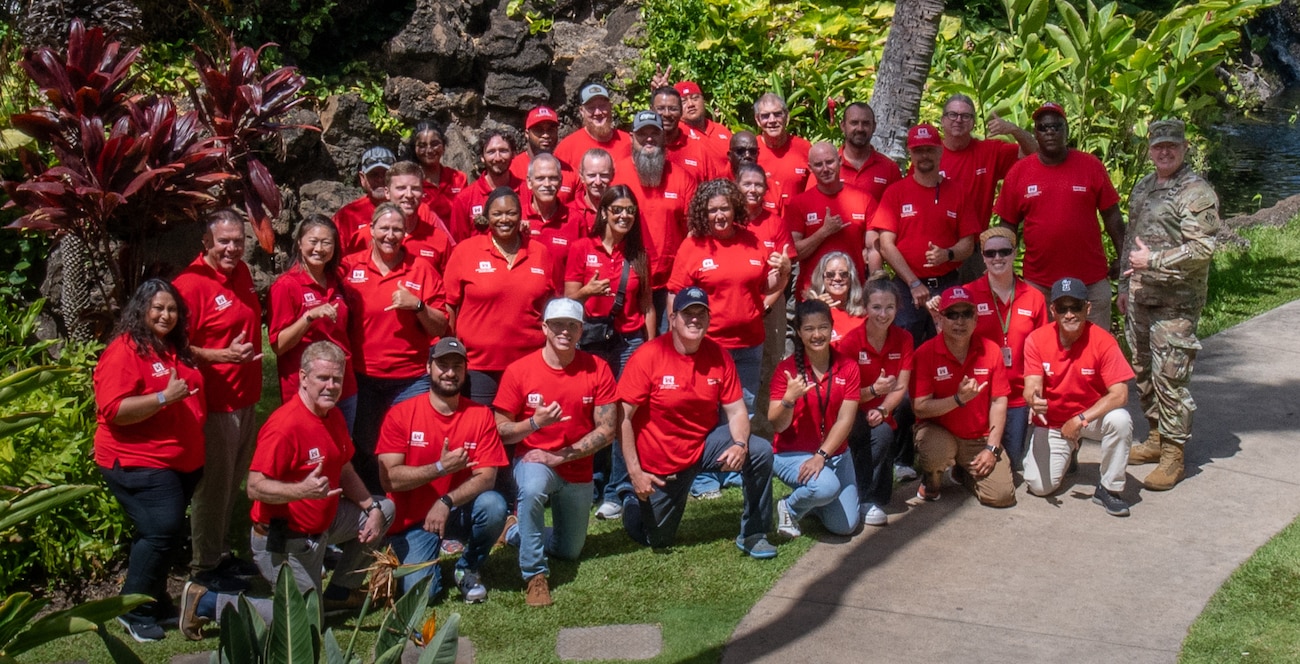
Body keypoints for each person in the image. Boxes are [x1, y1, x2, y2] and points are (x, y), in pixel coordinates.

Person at [618, 286, 778, 558]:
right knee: (657, 539)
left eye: (701, 313)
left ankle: (754, 532)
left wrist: (739, 444)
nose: (694, 319)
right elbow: (622, 417)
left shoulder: (719, 356)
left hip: (703, 446)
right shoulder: (648, 356)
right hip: (661, 461)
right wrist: (634, 473)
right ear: (673, 318)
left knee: (760, 451)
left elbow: (738, 412)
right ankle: (632, 503)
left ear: (708, 318)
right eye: (687, 313)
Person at [94, 279, 205, 641]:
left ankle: (153, 599)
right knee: (160, 531)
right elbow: (114, 410)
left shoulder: (170, 346)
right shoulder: (124, 351)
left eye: (172, 309)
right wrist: (162, 398)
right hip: (137, 460)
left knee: (167, 534)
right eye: (158, 308)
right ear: (141, 309)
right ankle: (133, 610)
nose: (165, 315)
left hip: (179, 460)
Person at [669, 179, 791, 498]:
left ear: (735, 208)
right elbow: (675, 293)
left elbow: (767, 285)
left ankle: (733, 468)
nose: (719, 215)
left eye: (724, 208)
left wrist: (785, 271)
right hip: (707, 346)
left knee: (744, 409)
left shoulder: (753, 241)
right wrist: (677, 338)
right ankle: (704, 477)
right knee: (705, 412)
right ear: (702, 214)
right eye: (712, 210)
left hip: (750, 344)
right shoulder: (693, 245)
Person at [245, 341, 394, 602]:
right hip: (283, 537)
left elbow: (345, 469)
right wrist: (301, 490)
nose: (331, 386)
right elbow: (254, 486)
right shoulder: (284, 426)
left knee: (385, 509)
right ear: (303, 378)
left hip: (323, 526)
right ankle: (211, 601)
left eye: (337, 379)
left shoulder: (332, 415)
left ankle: (340, 592)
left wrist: (371, 509)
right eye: (322, 378)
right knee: (304, 623)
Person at [494, 299, 619, 606]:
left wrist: (561, 456)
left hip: (574, 466)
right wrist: (535, 423)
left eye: (573, 325)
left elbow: (607, 430)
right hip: (535, 460)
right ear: (545, 328)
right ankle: (535, 576)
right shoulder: (519, 371)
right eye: (558, 324)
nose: (565, 331)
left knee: (569, 550)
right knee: (533, 488)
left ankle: (513, 532)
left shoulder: (597, 369)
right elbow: (500, 429)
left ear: (581, 331)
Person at [1120, 119, 1221, 491]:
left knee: (1170, 378)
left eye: (1171, 146)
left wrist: (1155, 263)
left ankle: (1174, 455)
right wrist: (1123, 286)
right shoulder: (1146, 186)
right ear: (1150, 148)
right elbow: (1133, 240)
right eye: (1158, 146)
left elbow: (1203, 249)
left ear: (1184, 148)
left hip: (1176, 304)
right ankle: (1156, 437)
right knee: (1144, 374)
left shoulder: (1195, 192)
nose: (1164, 152)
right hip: (1140, 298)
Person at [377, 337, 509, 604]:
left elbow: (487, 476)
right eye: (443, 365)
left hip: (457, 509)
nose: (450, 372)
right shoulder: (400, 414)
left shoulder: (480, 415)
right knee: (424, 595)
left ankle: (468, 566)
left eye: (457, 366)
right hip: (414, 520)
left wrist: (445, 500)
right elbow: (388, 479)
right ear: (428, 368)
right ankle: (412, 559)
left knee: (494, 505)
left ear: (465, 371)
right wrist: (440, 468)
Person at [173, 208, 263, 592]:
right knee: (213, 487)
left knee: (231, 483)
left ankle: (222, 553)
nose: (232, 248)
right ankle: (204, 565)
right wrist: (220, 356)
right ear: (206, 242)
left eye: (238, 241)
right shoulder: (190, 284)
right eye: (224, 241)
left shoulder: (240, 273)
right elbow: (174, 344)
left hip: (245, 396)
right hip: (215, 403)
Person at [342, 202, 449, 493]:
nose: (390, 235)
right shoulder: (350, 267)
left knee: (408, 446)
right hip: (362, 376)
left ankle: (407, 513)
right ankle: (373, 508)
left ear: (405, 234)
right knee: (364, 445)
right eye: (384, 228)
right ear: (371, 229)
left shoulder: (422, 270)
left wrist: (417, 305)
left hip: (410, 377)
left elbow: (440, 326)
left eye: (397, 229)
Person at [565, 185, 656, 520]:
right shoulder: (580, 248)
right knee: (591, 412)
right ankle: (588, 481)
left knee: (623, 414)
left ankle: (619, 489)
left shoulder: (638, 255)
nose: (623, 216)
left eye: (629, 210)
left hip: (629, 340)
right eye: (617, 209)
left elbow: (646, 305)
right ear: (603, 212)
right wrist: (589, 290)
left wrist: (648, 347)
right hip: (591, 339)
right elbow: (567, 300)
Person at [995, 102, 1124, 330]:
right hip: (1040, 283)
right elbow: (1008, 226)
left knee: (1095, 349)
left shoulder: (1091, 165)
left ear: (1066, 130)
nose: (1050, 131)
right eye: (1043, 127)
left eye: (1056, 126)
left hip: (1091, 280)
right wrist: (1004, 269)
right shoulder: (1019, 172)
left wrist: (1124, 258)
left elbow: (1113, 217)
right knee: (1043, 351)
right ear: (1036, 132)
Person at [1022, 278, 1135, 516]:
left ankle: (1109, 489)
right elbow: (1031, 385)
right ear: (1053, 310)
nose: (1070, 314)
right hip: (1055, 421)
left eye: (1076, 307)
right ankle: (1068, 451)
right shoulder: (1036, 339)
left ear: (1088, 308)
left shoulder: (1103, 341)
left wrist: (1080, 420)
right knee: (1039, 486)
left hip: (1091, 417)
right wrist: (1033, 399)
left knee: (1120, 419)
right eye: (1062, 308)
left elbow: (1120, 394)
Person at [444, 186, 557, 407]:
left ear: (520, 215)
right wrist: (453, 351)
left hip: (529, 365)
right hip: (478, 367)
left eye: (511, 213)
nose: (504, 219)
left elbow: (551, 306)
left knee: (526, 431)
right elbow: (449, 305)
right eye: (497, 214)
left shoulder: (540, 253)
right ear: (487, 217)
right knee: (481, 432)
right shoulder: (466, 252)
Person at [872, 124, 978, 344]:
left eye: (929, 149)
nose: (924, 155)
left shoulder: (958, 192)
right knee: (903, 343)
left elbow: (968, 243)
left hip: (948, 284)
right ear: (910, 153)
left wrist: (948, 254)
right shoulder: (896, 192)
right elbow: (885, 245)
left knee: (952, 343)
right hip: (906, 286)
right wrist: (913, 283)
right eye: (919, 150)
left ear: (940, 151)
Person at [910, 286, 1015, 507]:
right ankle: (932, 479)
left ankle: (963, 472)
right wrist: (958, 400)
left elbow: (999, 401)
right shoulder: (925, 353)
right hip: (939, 432)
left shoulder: (991, 350)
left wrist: (992, 448)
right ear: (940, 318)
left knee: (1002, 497)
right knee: (937, 451)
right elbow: (920, 407)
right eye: (952, 315)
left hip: (978, 437)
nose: (960, 321)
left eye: (966, 314)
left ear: (976, 318)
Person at [768, 299, 863, 537]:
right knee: (827, 487)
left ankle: (815, 500)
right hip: (792, 453)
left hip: (835, 454)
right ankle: (789, 506)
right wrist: (789, 399)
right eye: (809, 329)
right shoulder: (787, 370)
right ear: (799, 332)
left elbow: (845, 420)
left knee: (846, 526)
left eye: (823, 327)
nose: (817, 334)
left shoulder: (849, 367)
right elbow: (777, 424)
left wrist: (822, 455)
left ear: (832, 327)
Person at [960, 226, 1047, 470]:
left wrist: (1037, 395)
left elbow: (1043, 350)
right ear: (983, 256)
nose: (997, 258)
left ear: (1015, 253)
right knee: (980, 463)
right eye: (990, 253)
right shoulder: (968, 295)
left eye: (1004, 251)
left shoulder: (1034, 297)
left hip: (1018, 395)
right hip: (981, 394)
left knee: (1012, 463)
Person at [834, 276, 912, 526]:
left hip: (879, 410)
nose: (883, 313)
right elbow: (844, 394)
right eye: (876, 307)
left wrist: (882, 407)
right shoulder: (850, 343)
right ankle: (861, 497)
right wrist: (872, 391)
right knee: (878, 434)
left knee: (886, 496)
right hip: (849, 411)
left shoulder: (904, 339)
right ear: (865, 307)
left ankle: (866, 494)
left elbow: (901, 386)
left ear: (898, 308)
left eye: (889, 307)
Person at [268, 215, 357, 430]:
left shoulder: (339, 283)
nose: (319, 248)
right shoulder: (286, 286)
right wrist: (309, 317)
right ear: (299, 243)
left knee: (341, 453)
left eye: (327, 242)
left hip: (343, 386)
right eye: (313, 241)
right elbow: (279, 346)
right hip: (304, 390)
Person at [611, 110, 699, 322]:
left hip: (670, 282)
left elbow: (694, 231)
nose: (649, 138)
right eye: (643, 134)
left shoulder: (682, 178)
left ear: (664, 137)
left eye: (655, 133)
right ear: (632, 137)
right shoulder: (617, 174)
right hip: (627, 280)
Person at [785, 141, 880, 294]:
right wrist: (824, 232)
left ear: (840, 161)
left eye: (830, 162)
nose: (825, 169)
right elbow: (793, 254)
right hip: (813, 294)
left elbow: (873, 249)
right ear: (810, 168)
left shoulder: (864, 199)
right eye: (818, 164)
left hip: (853, 293)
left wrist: (876, 287)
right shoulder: (798, 203)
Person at [937, 93, 1037, 231]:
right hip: (937, 243)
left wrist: (1014, 130)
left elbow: (1035, 155)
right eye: (953, 114)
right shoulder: (929, 156)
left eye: (965, 116)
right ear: (943, 120)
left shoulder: (990, 151)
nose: (958, 120)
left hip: (975, 243)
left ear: (973, 123)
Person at [450, 128, 523, 241]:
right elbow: (459, 246)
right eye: (491, 152)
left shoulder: (527, 192)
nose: (497, 158)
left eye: (503, 151)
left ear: (513, 154)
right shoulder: (464, 199)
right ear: (482, 158)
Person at [521, 153, 580, 284]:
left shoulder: (575, 220)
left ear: (560, 181)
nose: (547, 184)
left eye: (553, 178)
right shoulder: (517, 219)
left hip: (561, 301)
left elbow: (582, 268)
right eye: (540, 178)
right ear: (529, 182)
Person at [334, 146, 395, 255]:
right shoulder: (347, 216)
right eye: (374, 174)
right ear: (362, 178)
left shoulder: (412, 211)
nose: (380, 179)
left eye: (385, 174)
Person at [553, 83, 630, 169]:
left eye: (602, 106)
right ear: (582, 111)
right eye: (591, 107)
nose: (598, 113)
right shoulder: (567, 148)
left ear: (610, 106)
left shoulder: (628, 142)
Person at [651, 85, 716, 182]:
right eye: (660, 108)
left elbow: (713, 192)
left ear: (681, 112)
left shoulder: (698, 150)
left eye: (673, 109)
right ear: (651, 110)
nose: (667, 114)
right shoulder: (641, 147)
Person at [753, 93, 812, 199]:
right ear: (758, 120)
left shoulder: (804, 148)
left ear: (787, 116)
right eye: (765, 116)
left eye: (777, 114)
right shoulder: (750, 150)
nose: (772, 120)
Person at [408, 120, 467, 224]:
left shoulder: (459, 178)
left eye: (435, 144)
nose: (429, 150)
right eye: (422, 145)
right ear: (414, 149)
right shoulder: (410, 183)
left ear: (444, 146)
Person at [839, 102, 901, 201]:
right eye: (854, 123)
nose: (860, 128)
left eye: (866, 123)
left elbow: (896, 209)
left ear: (874, 127)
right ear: (843, 126)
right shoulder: (827, 166)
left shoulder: (890, 169)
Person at [803, 251, 867, 342]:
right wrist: (817, 310)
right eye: (830, 274)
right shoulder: (808, 310)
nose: (837, 278)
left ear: (851, 278)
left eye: (843, 274)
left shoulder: (864, 313)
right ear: (821, 278)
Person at [675, 79, 732, 173]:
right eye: (683, 101)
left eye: (695, 98)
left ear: (703, 101)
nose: (690, 104)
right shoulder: (677, 133)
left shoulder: (721, 130)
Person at [567, 148, 615, 235]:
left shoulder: (623, 211)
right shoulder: (568, 212)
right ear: (581, 176)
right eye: (592, 175)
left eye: (603, 175)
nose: (598, 182)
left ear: (612, 175)